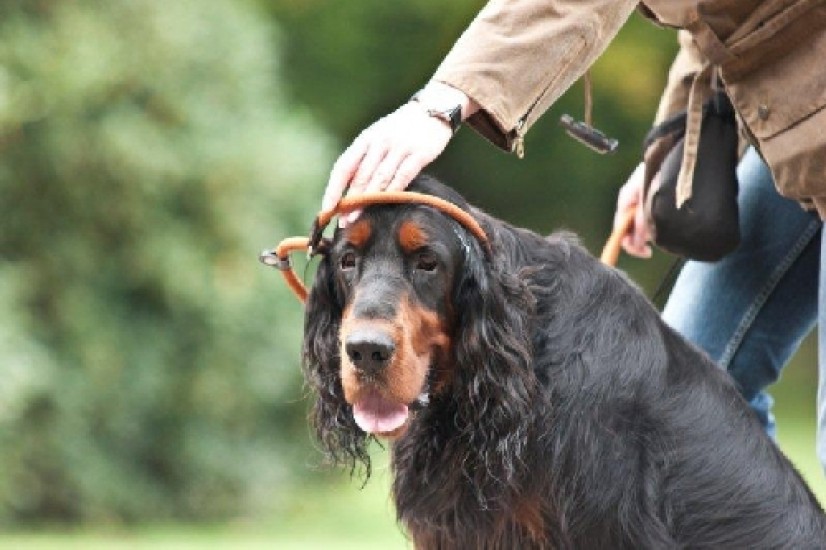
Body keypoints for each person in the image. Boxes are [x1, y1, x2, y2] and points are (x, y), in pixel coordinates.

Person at [321, 2, 826, 468]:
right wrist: (674, 150)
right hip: (797, 115)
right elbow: (718, 22)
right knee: (685, 400)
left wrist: (441, 103)